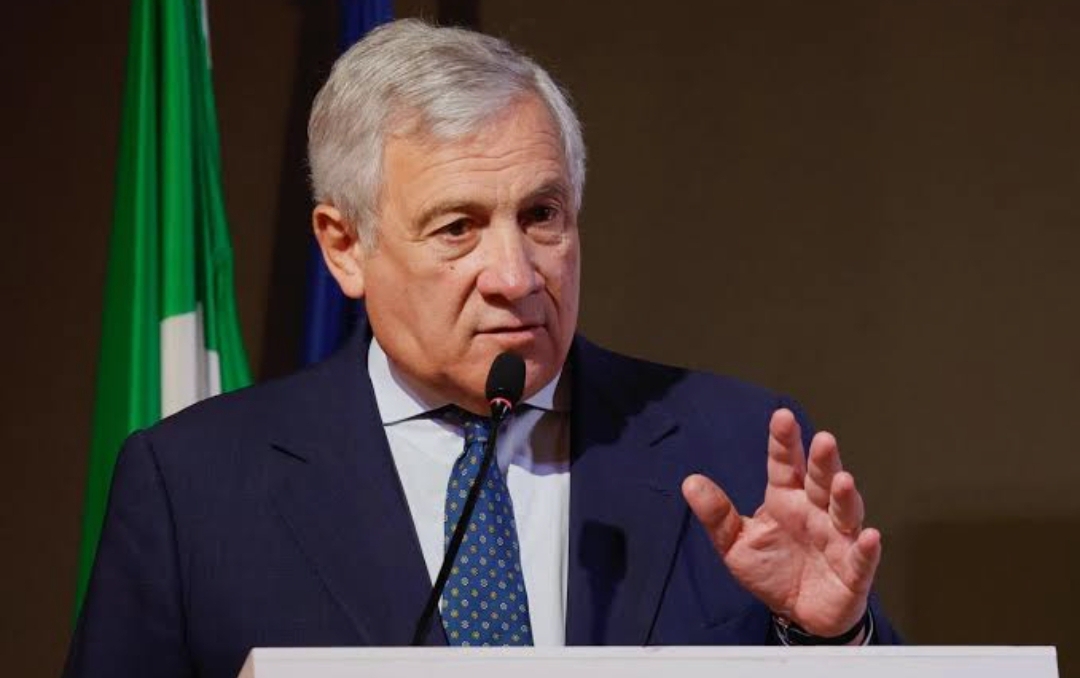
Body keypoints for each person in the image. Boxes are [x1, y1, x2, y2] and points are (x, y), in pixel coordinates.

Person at [65, 18, 898, 678]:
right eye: (457, 227)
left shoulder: (738, 446)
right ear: (344, 247)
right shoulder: (193, 488)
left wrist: (829, 640)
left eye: (541, 216)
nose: (515, 275)